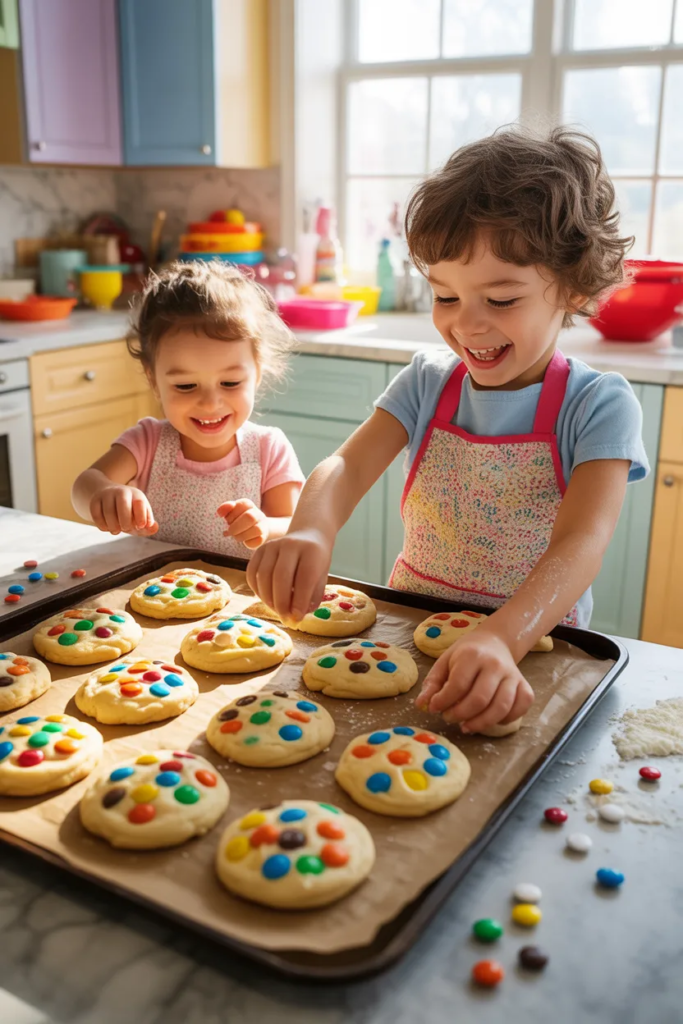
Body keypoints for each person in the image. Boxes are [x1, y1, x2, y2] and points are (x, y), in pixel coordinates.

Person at [247, 125, 648, 733]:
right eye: (445, 296)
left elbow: (581, 543)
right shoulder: (428, 381)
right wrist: (310, 528)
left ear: (571, 288)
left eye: (502, 299)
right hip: (409, 630)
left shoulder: (597, 404)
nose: (468, 326)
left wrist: (502, 636)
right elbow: (348, 466)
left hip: (532, 648)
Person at [72, 261, 304, 553]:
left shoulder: (269, 448)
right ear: (153, 379)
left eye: (230, 383)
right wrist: (104, 494)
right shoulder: (147, 442)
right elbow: (84, 485)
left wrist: (265, 526)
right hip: (157, 594)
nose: (210, 403)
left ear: (256, 374)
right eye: (185, 386)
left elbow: (293, 523)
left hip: (241, 596)